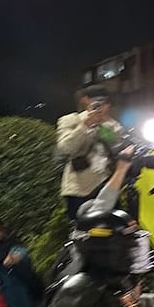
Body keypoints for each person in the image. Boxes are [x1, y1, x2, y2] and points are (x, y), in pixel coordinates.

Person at [56, 86, 123, 219]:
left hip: (107, 185)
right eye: (95, 103)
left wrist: (103, 125)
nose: (100, 107)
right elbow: (66, 147)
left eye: (104, 103)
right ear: (86, 102)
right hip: (78, 188)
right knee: (82, 232)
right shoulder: (71, 120)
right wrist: (86, 124)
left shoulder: (114, 126)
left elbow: (117, 146)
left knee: (111, 229)